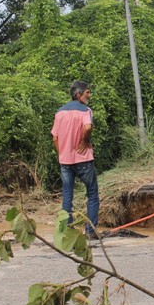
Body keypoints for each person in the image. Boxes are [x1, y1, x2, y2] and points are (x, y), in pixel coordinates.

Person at [51, 81, 99, 235]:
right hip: (83, 160)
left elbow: (54, 138)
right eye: (87, 93)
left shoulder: (59, 112)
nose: (89, 96)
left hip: (65, 162)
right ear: (79, 94)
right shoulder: (86, 111)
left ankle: (68, 232)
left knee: (67, 196)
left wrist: (62, 153)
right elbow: (88, 127)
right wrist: (85, 141)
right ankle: (90, 232)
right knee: (92, 194)